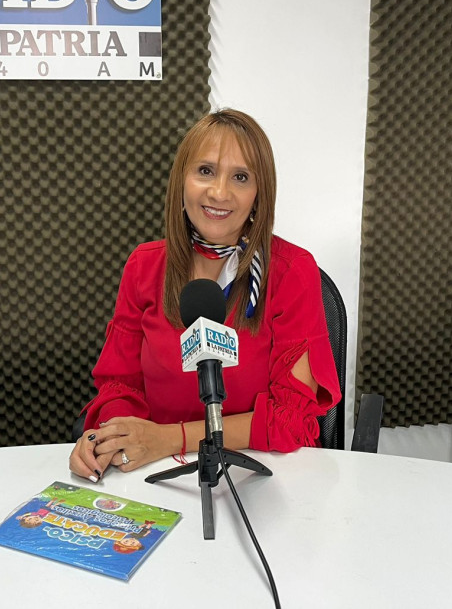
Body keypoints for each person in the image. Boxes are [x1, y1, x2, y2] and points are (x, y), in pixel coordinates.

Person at [68, 109, 341, 481]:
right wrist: (110, 436)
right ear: (183, 180)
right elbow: (120, 384)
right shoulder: (144, 266)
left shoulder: (292, 272)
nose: (219, 192)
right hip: (155, 471)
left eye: (240, 177)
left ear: (259, 194)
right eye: (206, 171)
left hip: (259, 474)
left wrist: (169, 438)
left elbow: (291, 419)